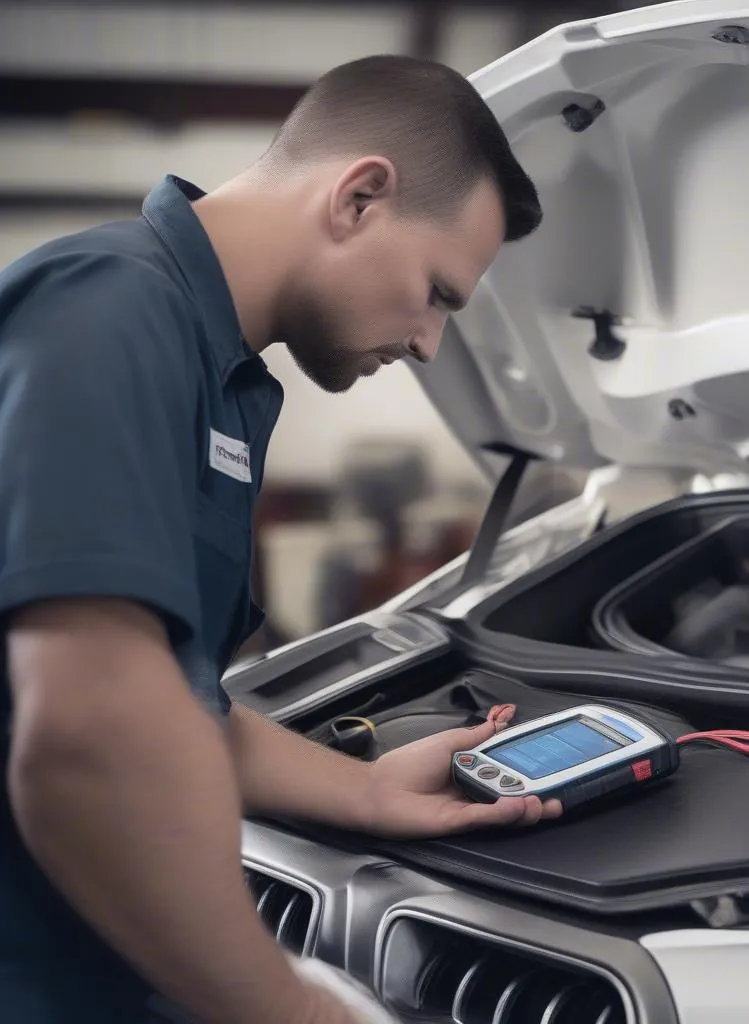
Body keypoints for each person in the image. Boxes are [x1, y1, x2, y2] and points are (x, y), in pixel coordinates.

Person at [0, 55, 560, 1024]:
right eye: (438, 291)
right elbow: (89, 730)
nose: (430, 341)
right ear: (359, 197)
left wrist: (371, 792)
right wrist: (294, 1010)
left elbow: (173, 701)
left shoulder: (219, 375)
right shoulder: (109, 309)